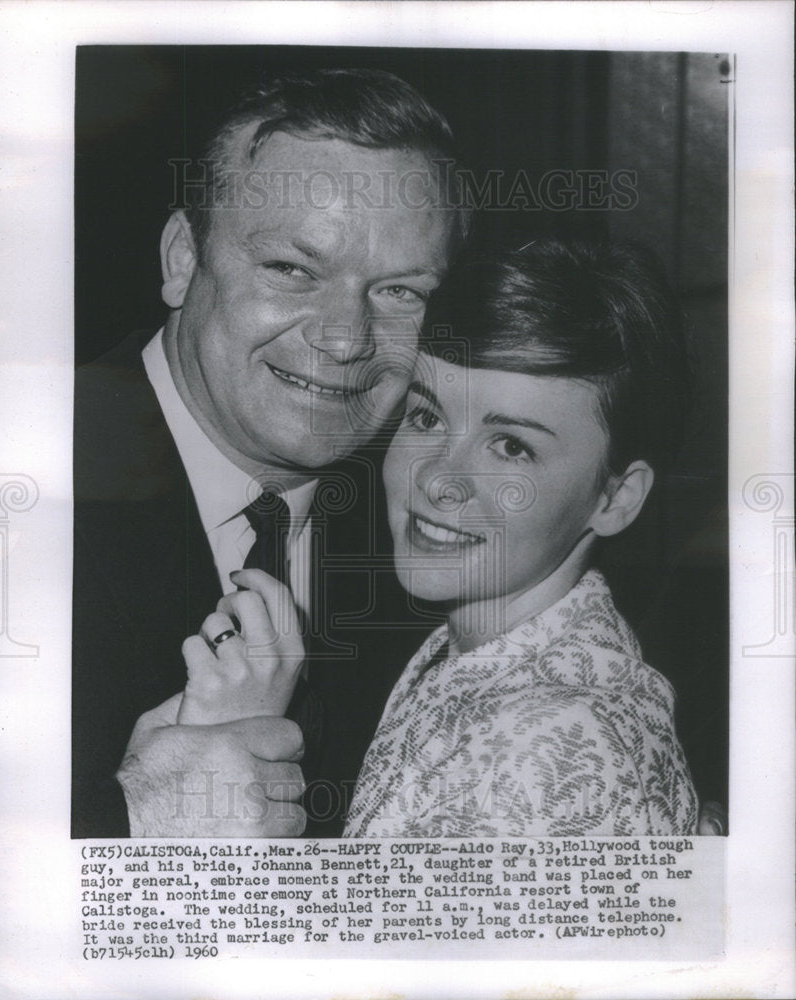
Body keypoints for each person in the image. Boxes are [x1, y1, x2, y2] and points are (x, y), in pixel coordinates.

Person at [182, 239, 700, 837]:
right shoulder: (474, 656)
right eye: (426, 417)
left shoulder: (543, 747)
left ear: (616, 498)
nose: (436, 479)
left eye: (511, 446)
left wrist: (216, 776)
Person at [72, 68, 465, 837]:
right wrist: (133, 827)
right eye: (291, 270)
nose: (346, 338)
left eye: (399, 292)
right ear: (183, 258)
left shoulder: (433, 540)